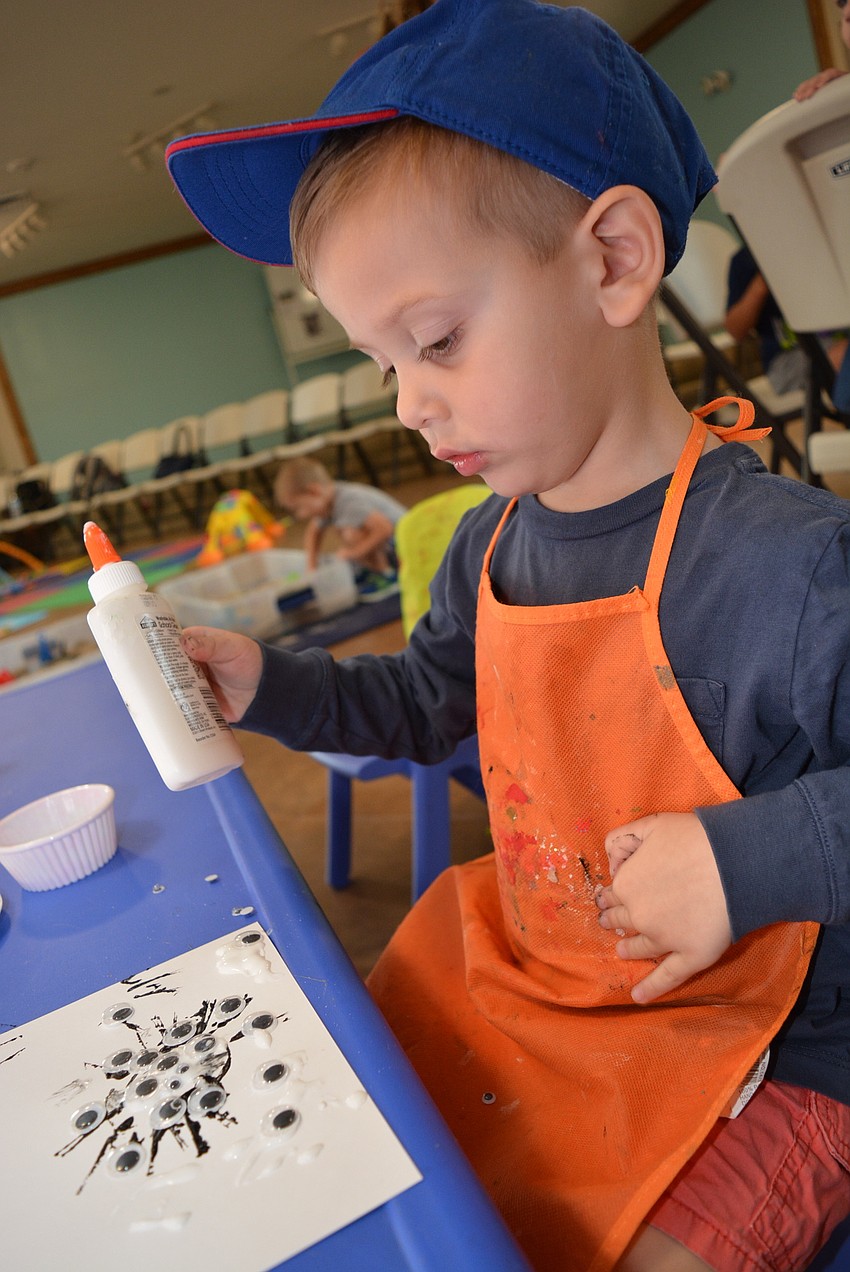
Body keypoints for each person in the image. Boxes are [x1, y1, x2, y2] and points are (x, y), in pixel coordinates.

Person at [166, 2, 850, 1269]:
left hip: (783, 1048)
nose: (414, 405)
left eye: (434, 341)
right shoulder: (491, 548)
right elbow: (427, 706)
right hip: (552, 985)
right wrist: (269, 684)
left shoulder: (789, 566)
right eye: (383, 366)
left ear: (611, 261)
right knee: (351, 1164)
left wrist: (749, 860)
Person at [274, 454, 405, 592]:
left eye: (299, 508)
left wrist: (354, 553)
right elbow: (313, 532)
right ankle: (377, 569)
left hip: (405, 543)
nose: (300, 515)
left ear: (314, 491)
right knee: (346, 532)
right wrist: (311, 568)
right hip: (391, 546)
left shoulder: (348, 501)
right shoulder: (326, 504)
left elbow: (385, 528)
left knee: (350, 533)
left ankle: (386, 575)